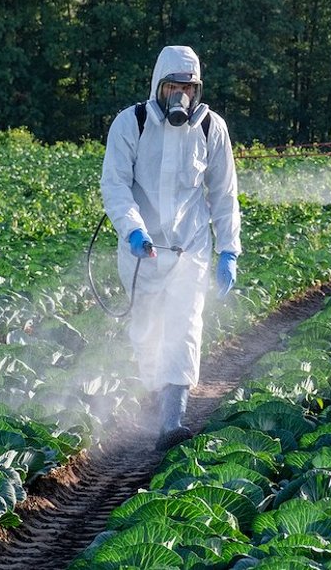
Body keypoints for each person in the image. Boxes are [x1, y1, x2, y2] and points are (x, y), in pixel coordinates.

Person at [100, 45, 242, 450]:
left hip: (190, 249)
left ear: (197, 91)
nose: (180, 97)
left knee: (184, 327)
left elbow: (224, 193)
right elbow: (115, 185)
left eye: (187, 88)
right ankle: (153, 394)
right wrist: (132, 230)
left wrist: (229, 249)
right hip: (142, 250)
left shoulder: (211, 129)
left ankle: (171, 419)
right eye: (172, 88)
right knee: (147, 332)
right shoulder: (132, 124)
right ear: (158, 86)